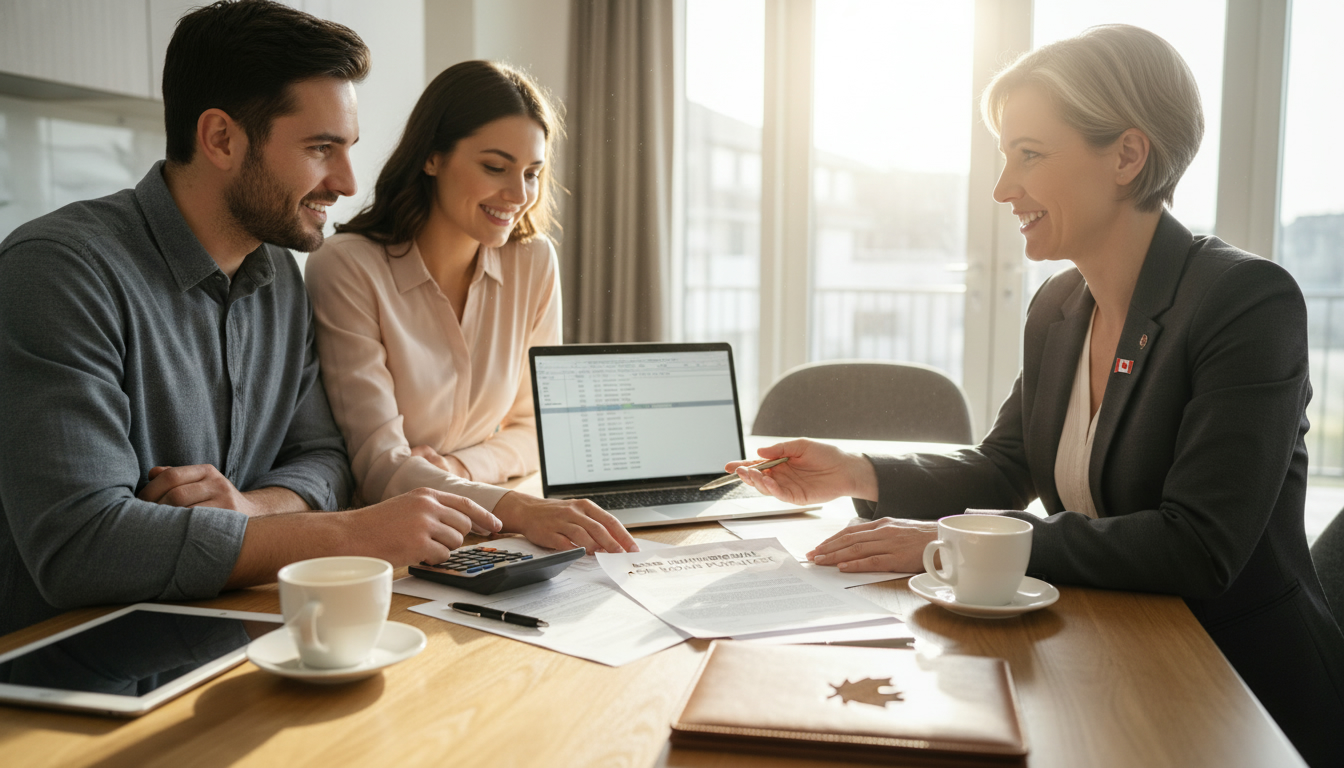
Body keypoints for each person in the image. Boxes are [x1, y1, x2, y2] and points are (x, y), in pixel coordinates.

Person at [728, 25, 1344, 766]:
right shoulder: (1059, 305)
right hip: (1113, 647)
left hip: (1238, 687)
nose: (1001, 188)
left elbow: (1198, 546)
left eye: (1029, 154)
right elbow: (1005, 466)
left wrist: (950, 544)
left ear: (1126, 155)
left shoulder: (1246, 301)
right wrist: (858, 469)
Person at [0, 0, 504, 637]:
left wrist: (250, 507)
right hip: (65, 669)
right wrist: (349, 533)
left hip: (226, 629)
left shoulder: (278, 278)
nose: (347, 182)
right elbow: (83, 545)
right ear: (220, 139)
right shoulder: (58, 271)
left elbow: (323, 458)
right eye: (321, 148)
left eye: (347, 149)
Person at [304, 61, 637, 555]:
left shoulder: (534, 262)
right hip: (393, 542)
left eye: (532, 173)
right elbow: (378, 468)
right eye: (495, 168)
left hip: (489, 529)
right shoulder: (347, 268)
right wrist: (517, 508)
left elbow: (537, 430)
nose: (519, 195)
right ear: (432, 157)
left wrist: (460, 468)